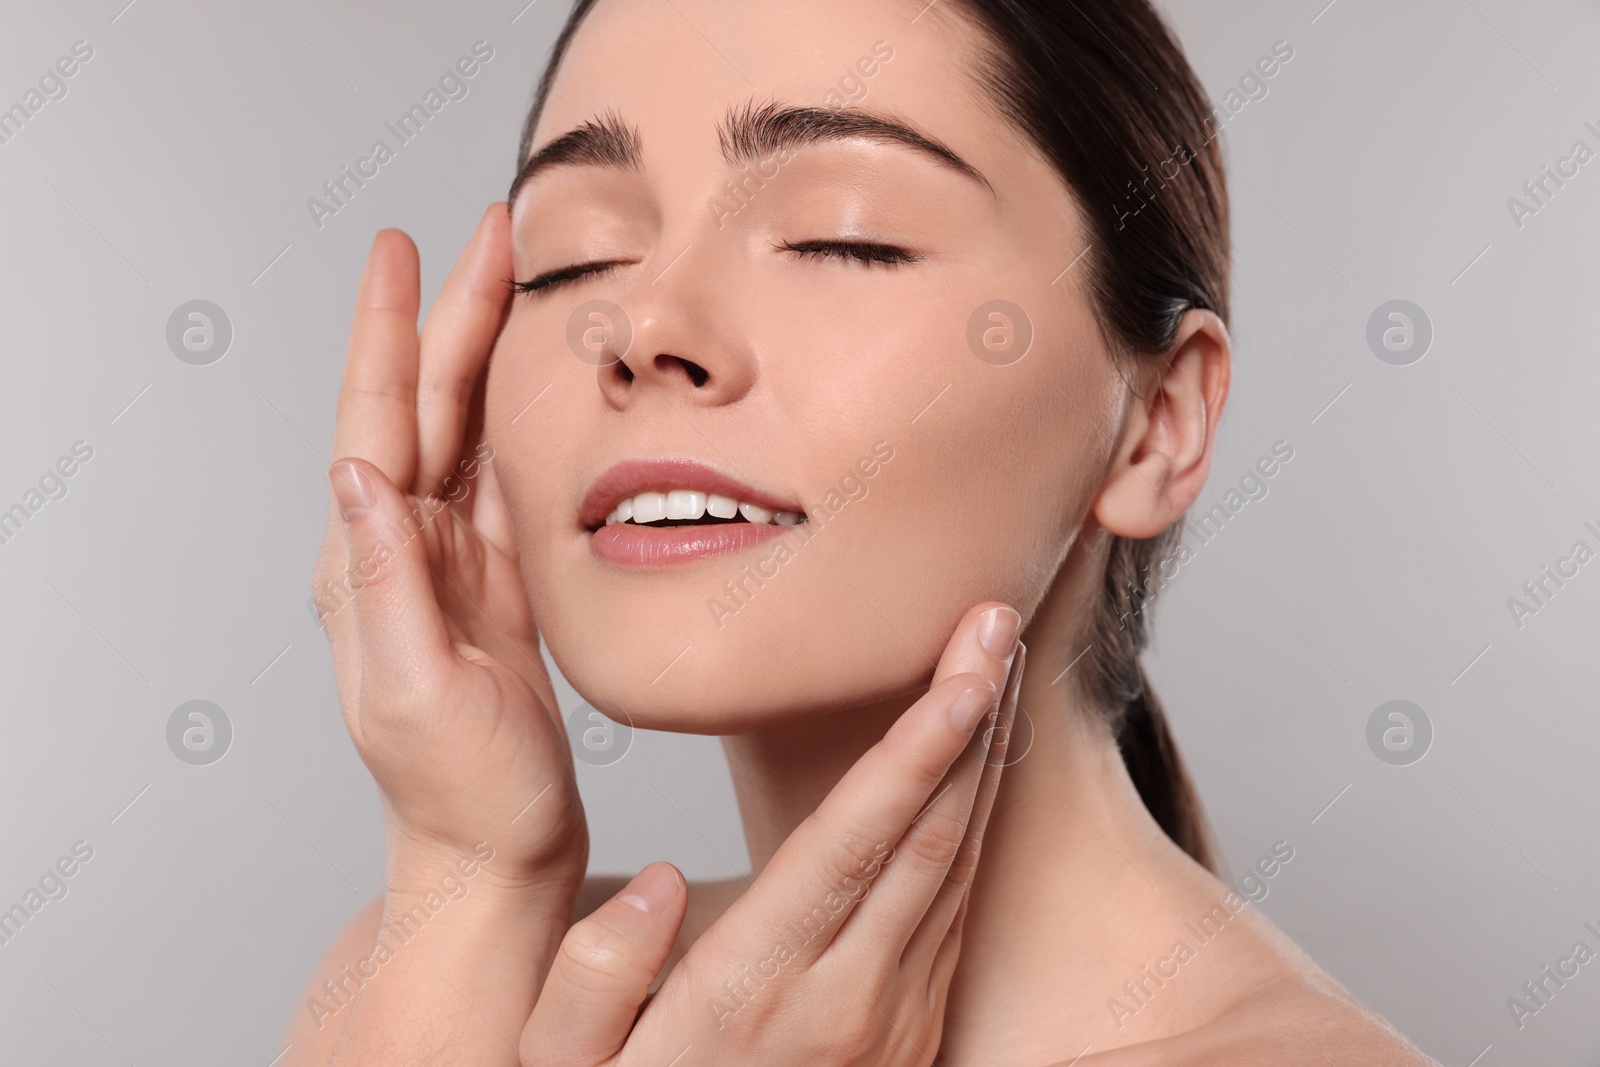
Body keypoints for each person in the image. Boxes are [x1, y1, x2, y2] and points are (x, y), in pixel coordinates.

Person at [286, 0, 1437, 1061]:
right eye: (575, 256)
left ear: (1156, 426)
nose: (638, 324)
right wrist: (468, 869)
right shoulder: (445, 975)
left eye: (844, 236)